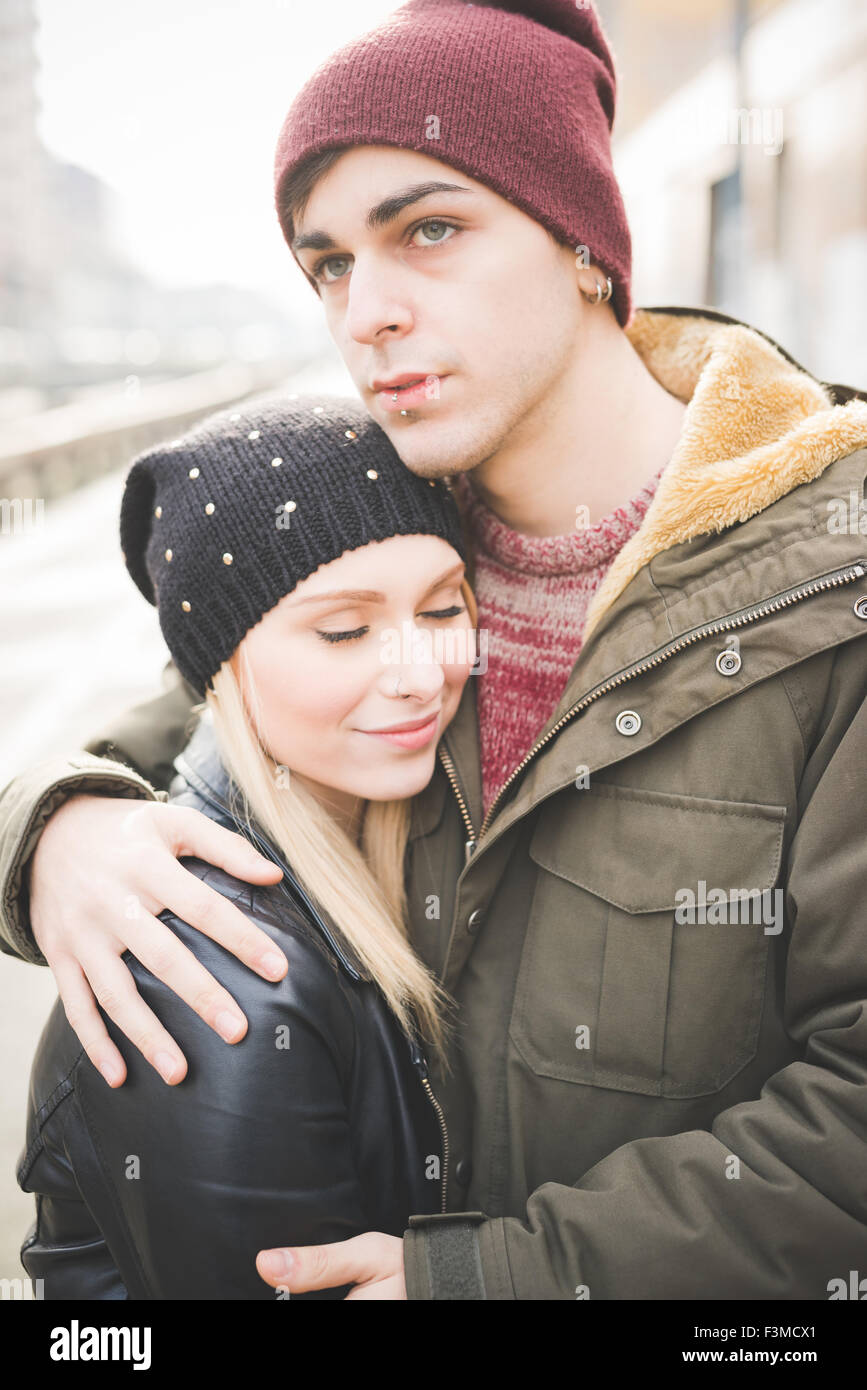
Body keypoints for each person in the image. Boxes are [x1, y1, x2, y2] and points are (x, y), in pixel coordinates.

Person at [5, 0, 867, 1299]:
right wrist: (57, 826)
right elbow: (205, 700)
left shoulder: (831, 585)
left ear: (583, 244)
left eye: (429, 230)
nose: (367, 312)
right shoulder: (391, 535)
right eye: (329, 264)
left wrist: (488, 1280)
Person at [17, 393, 479, 1299]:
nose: (421, 673)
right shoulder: (213, 974)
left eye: (442, 610)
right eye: (344, 631)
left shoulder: (377, 831)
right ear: (217, 665)